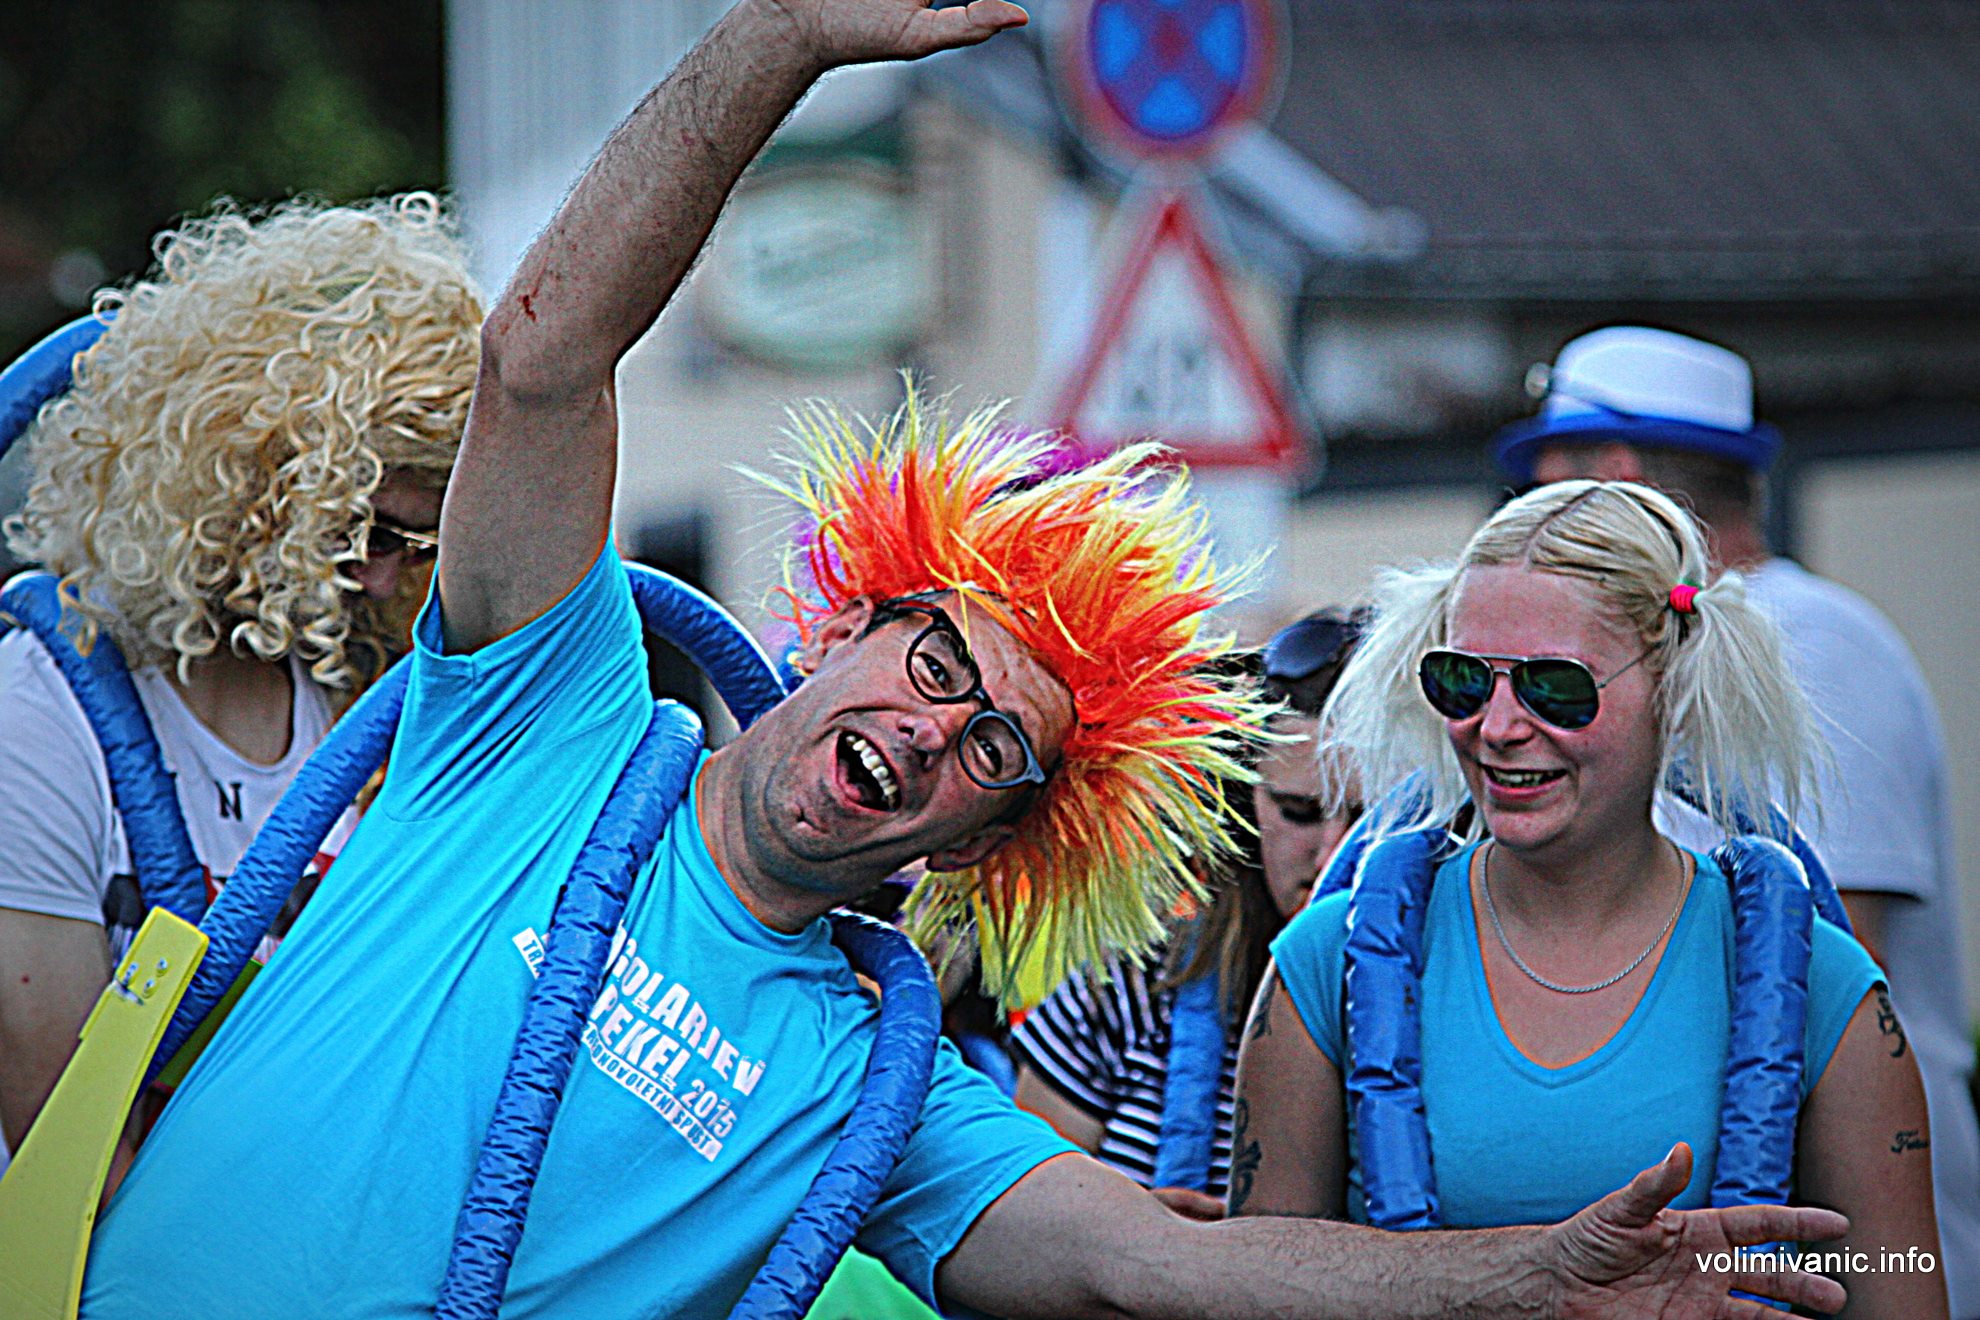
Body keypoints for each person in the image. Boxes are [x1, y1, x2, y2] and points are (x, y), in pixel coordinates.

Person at [78, 3, 1851, 1316]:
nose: (933, 733)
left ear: (982, 845)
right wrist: (777, 41)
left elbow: (1156, 1267)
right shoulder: (544, 716)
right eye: (937, 663)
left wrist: (1530, 1280)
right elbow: (542, 358)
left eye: (997, 749)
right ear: (849, 622)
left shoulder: (881, 1086)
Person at [1234, 479, 1944, 1317]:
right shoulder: (1326, 965)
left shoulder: (1822, 983)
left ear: (1672, 685)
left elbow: (1897, 1275)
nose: (1499, 727)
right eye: (1462, 681)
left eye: (1556, 687)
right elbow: (1254, 1288)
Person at [1497, 324, 1980, 1314]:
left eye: (1547, 482)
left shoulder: (1816, 643)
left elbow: (1835, 960)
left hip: (1846, 1252)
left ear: (1616, 480)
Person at [0, 194, 481, 1168]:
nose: (383, 579)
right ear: (252, 478)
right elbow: (73, 1165)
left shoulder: (369, 691)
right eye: (361, 529)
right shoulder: (36, 715)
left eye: (417, 545)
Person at [1012, 611, 1363, 1215]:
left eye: (1368, 818)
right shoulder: (1127, 987)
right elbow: (1017, 1222)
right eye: (1299, 812)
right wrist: (1140, 1240)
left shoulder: (1471, 1006)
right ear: (1243, 810)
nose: (1334, 854)